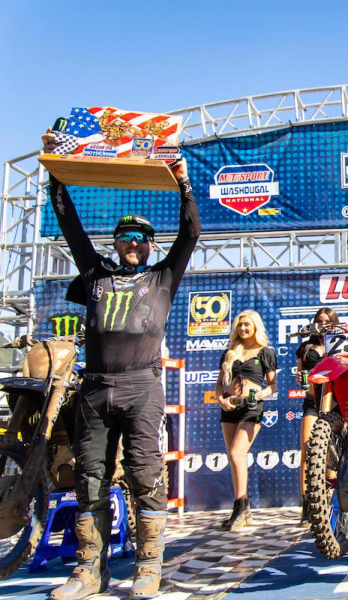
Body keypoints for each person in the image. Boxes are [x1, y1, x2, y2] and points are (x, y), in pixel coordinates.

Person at [41, 134, 200, 599]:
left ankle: (149, 568)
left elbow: (190, 232)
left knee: (146, 476)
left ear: (151, 246)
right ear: (115, 242)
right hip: (95, 390)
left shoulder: (162, 278)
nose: (134, 243)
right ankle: (89, 570)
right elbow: (68, 223)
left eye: (142, 238)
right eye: (126, 237)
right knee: (89, 478)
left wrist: (184, 182)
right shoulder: (95, 273)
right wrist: (55, 167)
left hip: (141, 389)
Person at [214, 310, 278, 530]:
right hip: (229, 407)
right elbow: (219, 384)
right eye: (240, 325)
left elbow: (273, 386)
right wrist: (221, 400)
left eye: (247, 325)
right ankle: (241, 510)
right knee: (233, 458)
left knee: (236, 453)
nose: (242, 329)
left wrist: (261, 394)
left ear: (255, 327)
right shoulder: (230, 352)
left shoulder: (265, 352)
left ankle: (242, 507)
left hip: (252, 407)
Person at [295, 307, 340, 521]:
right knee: (307, 450)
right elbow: (300, 372)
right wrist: (300, 378)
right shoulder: (306, 347)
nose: (323, 325)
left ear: (334, 323)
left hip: (336, 403)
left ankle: (328, 501)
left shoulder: (341, 344)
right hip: (313, 401)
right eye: (319, 321)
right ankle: (307, 505)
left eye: (327, 321)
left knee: (333, 454)